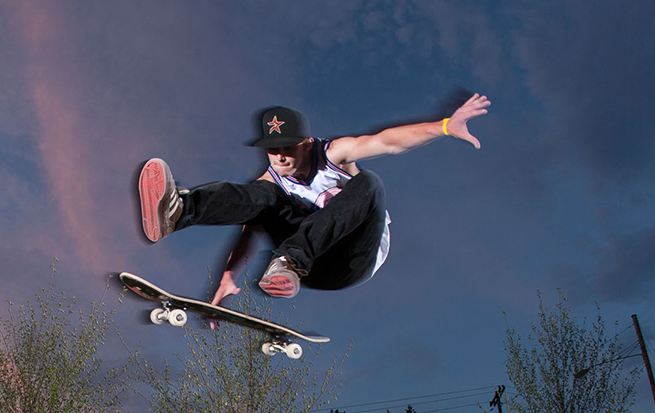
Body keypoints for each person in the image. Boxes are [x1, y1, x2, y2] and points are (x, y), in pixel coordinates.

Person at [137, 93, 490, 303]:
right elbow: (250, 229)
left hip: (352, 261)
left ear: (306, 143)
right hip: (305, 267)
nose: (280, 158)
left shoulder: (336, 153)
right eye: (272, 151)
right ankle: (178, 210)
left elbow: (387, 141)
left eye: (287, 149)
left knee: (370, 183)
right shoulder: (272, 178)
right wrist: (229, 278)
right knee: (263, 194)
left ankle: (289, 261)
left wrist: (445, 126)